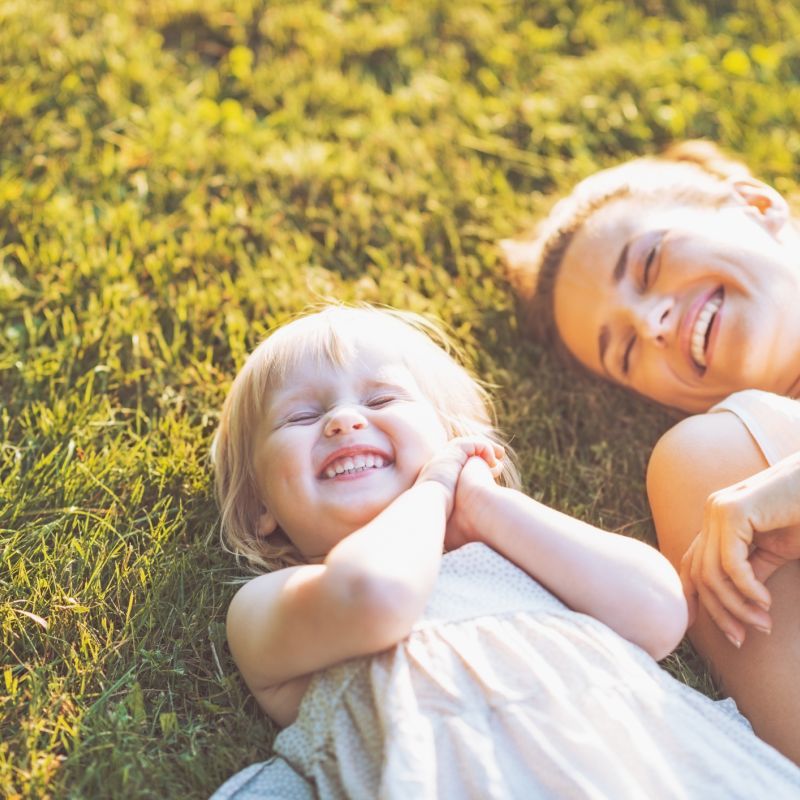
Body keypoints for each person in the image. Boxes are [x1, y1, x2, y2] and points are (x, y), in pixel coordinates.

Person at [209, 304, 800, 798]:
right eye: (302, 416)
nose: (342, 421)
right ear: (263, 509)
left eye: (382, 400)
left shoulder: (521, 552)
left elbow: (661, 611)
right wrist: (434, 491)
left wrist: (488, 507)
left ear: (455, 442)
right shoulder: (274, 602)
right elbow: (375, 596)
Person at [502, 141, 800, 763]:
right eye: (628, 354)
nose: (653, 323)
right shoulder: (720, 469)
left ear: (755, 204)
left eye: (649, 263)